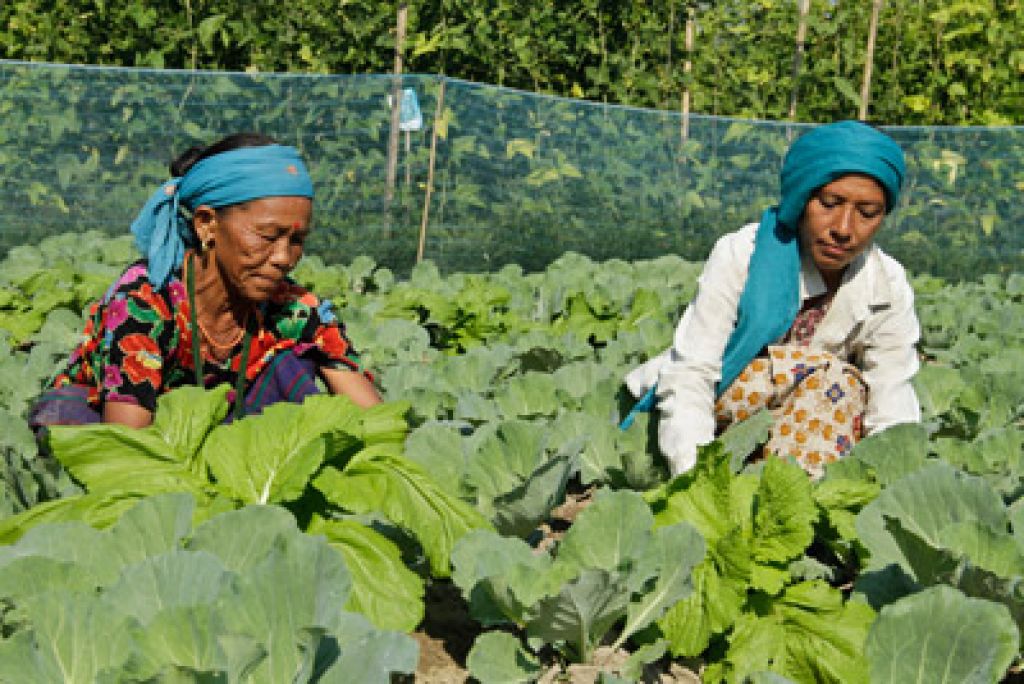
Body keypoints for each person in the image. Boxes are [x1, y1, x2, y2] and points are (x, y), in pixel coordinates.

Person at [625, 121, 920, 479]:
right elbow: (693, 372)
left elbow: (892, 391)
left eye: (867, 212)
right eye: (829, 203)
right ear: (801, 198)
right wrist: (695, 477)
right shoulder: (742, 255)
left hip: (814, 422)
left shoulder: (886, 284)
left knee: (841, 390)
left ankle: (789, 496)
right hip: (719, 406)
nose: (843, 227)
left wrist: (895, 479)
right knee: (832, 378)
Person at [30, 133, 380, 430]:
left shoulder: (294, 310)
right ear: (206, 224)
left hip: (230, 452)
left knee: (291, 365)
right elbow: (126, 447)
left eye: (297, 241)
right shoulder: (144, 303)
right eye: (267, 235)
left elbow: (375, 420)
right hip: (108, 432)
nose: (283, 258)